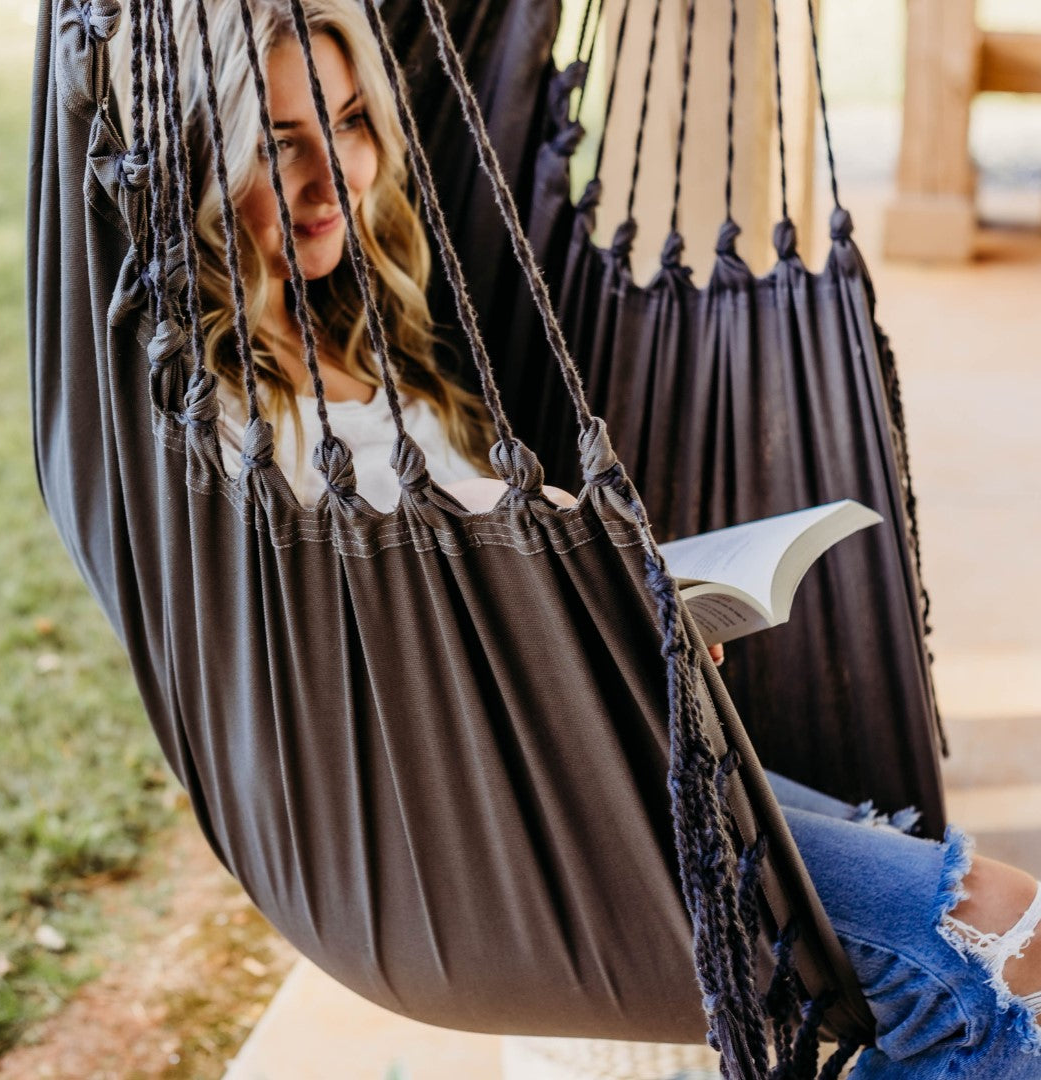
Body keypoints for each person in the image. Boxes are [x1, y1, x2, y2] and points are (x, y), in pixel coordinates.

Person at [134, 0, 1041, 1075]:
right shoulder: (222, 417)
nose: (334, 173)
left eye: (348, 122)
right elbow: (355, 653)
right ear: (207, 153)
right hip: (503, 813)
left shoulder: (369, 335)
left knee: (977, 909)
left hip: (603, 744)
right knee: (977, 951)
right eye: (282, 144)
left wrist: (632, 618)